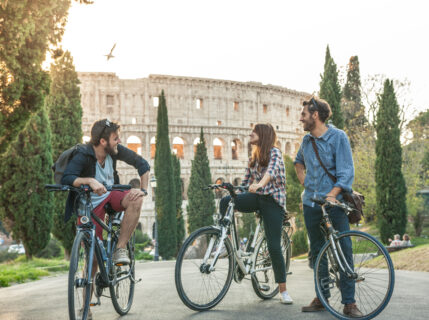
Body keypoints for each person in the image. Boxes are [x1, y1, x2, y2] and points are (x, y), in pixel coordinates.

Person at [294, 97, 363, 317]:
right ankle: (322, 297)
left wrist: (332, 195)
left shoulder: (338, 137)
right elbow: (298, 162)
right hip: (311, 204)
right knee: (317, 252)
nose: (301, 117)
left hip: (334, 205)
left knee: (344, 249)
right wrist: (305, 182)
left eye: (304, 114)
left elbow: (346, 173)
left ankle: (349, 303)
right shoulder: (306, 140)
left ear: (315, 115)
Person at [219, 123, 293, 305]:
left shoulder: (275, 153)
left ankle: (283, 290)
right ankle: (227, 242)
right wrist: (232, 189)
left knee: (274, 245)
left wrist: (259, 184)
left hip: (273, 201)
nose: (250, 133)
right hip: (257, 197)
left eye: (254, 131)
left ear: (263, 135)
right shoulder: (253, 157)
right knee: (226, 201)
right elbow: (245, 182)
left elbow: (271, 172)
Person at [62, 119, 150, 265]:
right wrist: (89, 180)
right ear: (103, 141)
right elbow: (67, 178)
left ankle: (120, 248)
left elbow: (142, 164)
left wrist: (143, 190)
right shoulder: (83, 154)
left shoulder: (115, 151)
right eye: (115, 138)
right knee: (93, 259)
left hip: (110, 195)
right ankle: (88, 287)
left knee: (136, 199)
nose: (119, 141)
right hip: (89, 206)